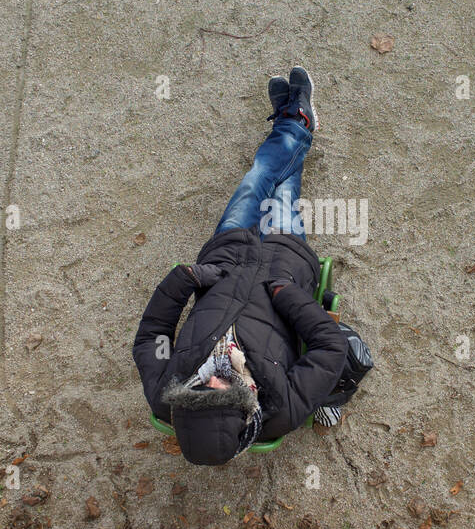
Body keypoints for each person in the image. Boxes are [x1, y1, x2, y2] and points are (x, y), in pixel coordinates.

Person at [132, 67, 348, 465]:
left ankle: (294, 122)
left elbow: (151, 336)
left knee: (256, 180)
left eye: (200, 386)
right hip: (285, 264)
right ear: (247, 411)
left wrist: (186, 279)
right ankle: (294, 122)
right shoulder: (281, 409)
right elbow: (330, 350)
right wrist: (289, 297)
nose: (212, 377)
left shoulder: (165, 392)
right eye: (224, 387)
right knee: (281, 188)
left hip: (226, 257)